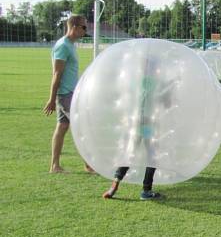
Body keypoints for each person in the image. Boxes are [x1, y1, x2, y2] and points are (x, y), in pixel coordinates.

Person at [102, 58, 175, 200]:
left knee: (130, 153)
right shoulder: (157, 83)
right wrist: (170, 89)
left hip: (134, 123)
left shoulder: (137, 82)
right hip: (147, 124)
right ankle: (146, 190)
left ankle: (114, 184)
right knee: (153, 156)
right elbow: (166, 103)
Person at [43, 15, 94, 174]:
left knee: (62, 127)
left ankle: (54, 166)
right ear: (74, 27)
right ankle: (88, 164)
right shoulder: (63, 46)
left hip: (70, 93)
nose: (85, 30)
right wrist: (52, 99)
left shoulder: (71, 45)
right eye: (83, 27)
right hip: (65, 94)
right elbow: (57, 74)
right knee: (82, 127)